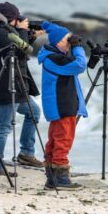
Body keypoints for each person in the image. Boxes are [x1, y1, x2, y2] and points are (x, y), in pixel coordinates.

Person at [0, 2, 44, 176]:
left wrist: (30, 35)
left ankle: (26, 153)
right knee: (3, 127)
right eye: (17, 18)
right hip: (7, 85)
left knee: (33, 112)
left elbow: (20, 50)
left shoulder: (4, 30)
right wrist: (22, 31)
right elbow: (21, 52)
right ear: (11, 19)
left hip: (18, 85)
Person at [38, 21, 87, 190]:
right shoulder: (54, 59)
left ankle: (52, 179)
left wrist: (72, 46)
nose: (71, 41)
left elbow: (74, 64)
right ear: (59, 42)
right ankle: (62, 179)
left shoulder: (55, 56)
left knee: (55, 139)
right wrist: (78, 46)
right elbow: (80, 65)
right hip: (62, 105)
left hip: (60, 104)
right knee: (63, 139)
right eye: (68, 39)